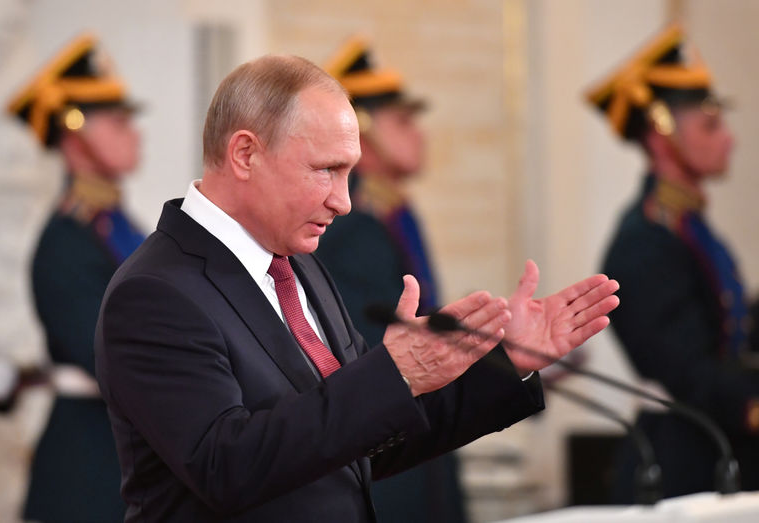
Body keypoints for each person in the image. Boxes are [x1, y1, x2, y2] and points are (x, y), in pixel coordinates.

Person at [94, 53, 619, 522]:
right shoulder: (156, 293)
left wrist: (509, 361)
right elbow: (226, 467)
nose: (343, 202)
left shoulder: (299, 265)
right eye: (326, 171)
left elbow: (364, 438)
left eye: (349, 174)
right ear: (246, 154)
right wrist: (394, 373)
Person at [585, 23, 759, 502]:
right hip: (684, 462)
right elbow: (689, 371)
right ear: (660, 134)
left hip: (718, 448)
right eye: (710, 125)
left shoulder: (688, 226)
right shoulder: (645, 241)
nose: (728, 140)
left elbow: (728, 333)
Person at [316, 36, 466, 522]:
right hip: (391, 440)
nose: (419, 134)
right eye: (402, 121)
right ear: (360, 131)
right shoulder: (353, 227)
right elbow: (373, 349)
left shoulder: (393, 215)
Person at [6, 33, 144, 521]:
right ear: (74, 131)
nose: (135, 133)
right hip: (87, 478)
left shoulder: (119, 227)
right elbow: (118, 360)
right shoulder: (67, 241)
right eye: (118, 121)